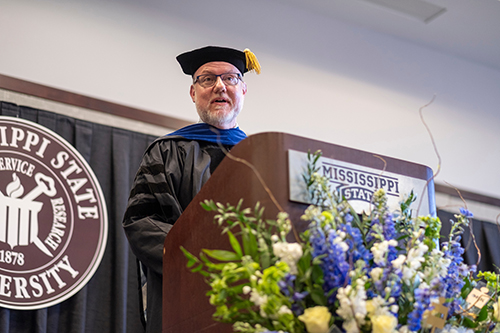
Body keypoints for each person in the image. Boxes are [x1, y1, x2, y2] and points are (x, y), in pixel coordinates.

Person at [122, 46, 261, 333]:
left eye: (230, 78)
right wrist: (204, 260)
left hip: (252, 301)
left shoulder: (262, 158)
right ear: (193, 92)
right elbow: (141, 222)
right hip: (186, 297)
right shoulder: (166, 152)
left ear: (243, 90)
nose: (220, 86)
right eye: (207, 79)